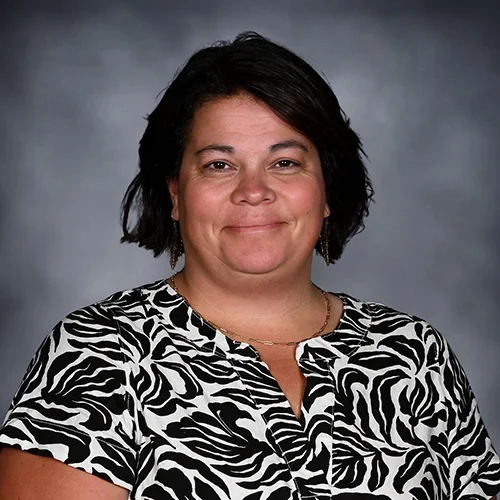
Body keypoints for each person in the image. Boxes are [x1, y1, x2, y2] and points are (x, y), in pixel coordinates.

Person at [0, 31, 498, 500]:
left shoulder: (415, 354)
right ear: (175, 193)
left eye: (285, 162)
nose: (253, 192)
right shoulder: (97, 353)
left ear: (326, 190)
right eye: (219, 164)